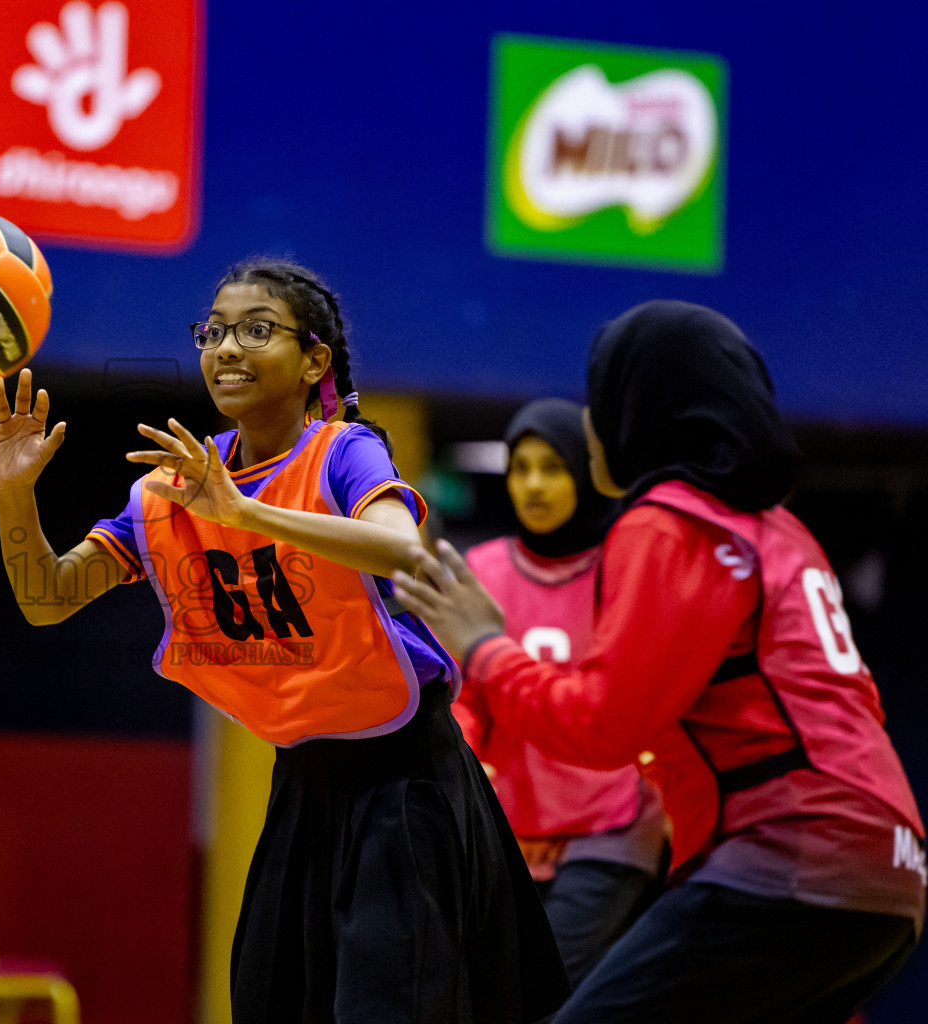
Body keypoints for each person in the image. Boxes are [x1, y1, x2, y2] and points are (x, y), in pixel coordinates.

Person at [0, 258, 568, 1023]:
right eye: (214, 331)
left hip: (407, 784)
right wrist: (14, 494)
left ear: (314, 359)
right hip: (301, 788)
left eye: (257, 330)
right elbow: (45, 598)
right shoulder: (169, 488)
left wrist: (245, 515)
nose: (225, 348)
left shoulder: (342, 452)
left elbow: (398, 548)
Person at [395, 300, 925, 1023]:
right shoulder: (782, 530)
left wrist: (483, 646)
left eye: (599, 399)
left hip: (785, 860)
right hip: (890, 874)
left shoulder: (672, 520)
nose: (589, 425)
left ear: (641, 407)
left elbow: (604, 728)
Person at [456, 398, 665, 985]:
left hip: (614, 822)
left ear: (584, 469)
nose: (533, 485)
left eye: (552, 467)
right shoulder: (483, 569)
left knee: (544, 988)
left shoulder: (629, 567)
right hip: (508, 823)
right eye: (520, 468)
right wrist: (461, 762)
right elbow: (462, 698)